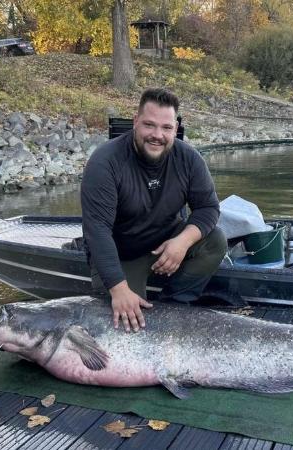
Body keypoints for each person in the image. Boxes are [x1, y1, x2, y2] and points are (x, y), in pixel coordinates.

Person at [81, 88, 227, 331]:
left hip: (164, 245)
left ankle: (175, 304)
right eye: (149, 125)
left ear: (175, 127)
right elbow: (97, 230)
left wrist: (181, 242)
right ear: (135, 121)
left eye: (166, 128)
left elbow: (208, 208)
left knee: (215, 240)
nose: (157, 135)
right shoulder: (105, 162)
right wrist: (118, 289)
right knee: (130, 324)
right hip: (120, 255)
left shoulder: (189, 159)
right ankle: (125, 290)